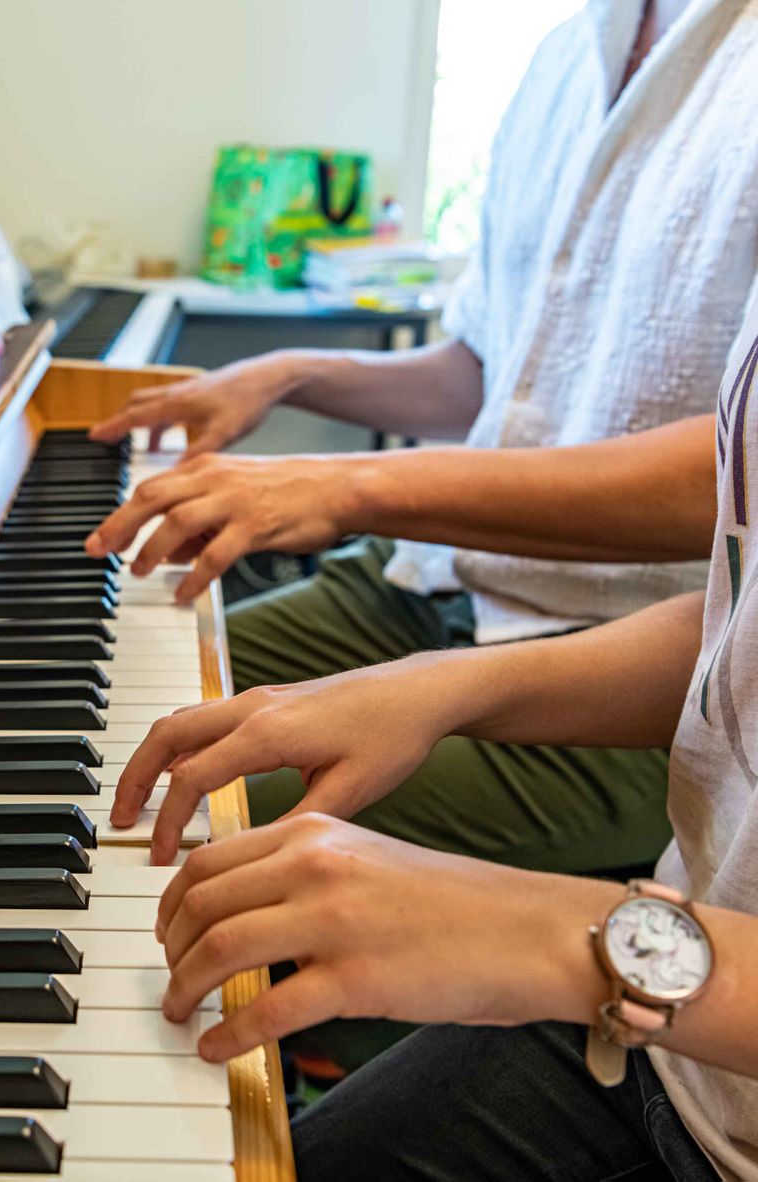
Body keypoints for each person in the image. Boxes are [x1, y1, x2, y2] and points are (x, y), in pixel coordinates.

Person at [88, 0, 758, 898]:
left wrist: (354, 482)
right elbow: (487, 372)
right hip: (422, 587)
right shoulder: (565, 56)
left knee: (154, 812)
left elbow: (726, 482)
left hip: (627, 676)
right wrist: (290, 373)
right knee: (108, 708)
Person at [116, 299, 758, 1179]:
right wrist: (448, 685)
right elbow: (743, 616)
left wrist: (556, 936)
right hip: (665, 1024)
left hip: (679, 1019)